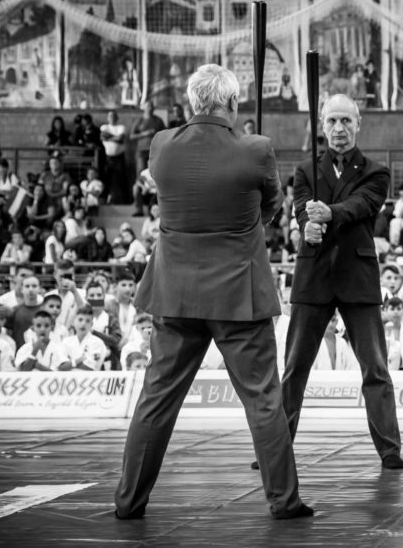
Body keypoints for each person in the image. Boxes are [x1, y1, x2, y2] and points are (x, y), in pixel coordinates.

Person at [115, 64, 311, 520]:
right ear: (233, 103)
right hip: (238, 295)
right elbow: (272, 206)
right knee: (263, 401)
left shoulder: (161, 144)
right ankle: (284, 500)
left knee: (156, 401)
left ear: (191, 102)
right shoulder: (256, 148)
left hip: (175, 294)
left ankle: (128, 502)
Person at [281, 93, 403, 471]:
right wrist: (307, 226)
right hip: (313, 274)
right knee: (294, 368)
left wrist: (328, 213)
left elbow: (363, 206)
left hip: (358, 276)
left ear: (358, 124)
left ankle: (389, 449)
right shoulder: (305, 170)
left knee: (376, 368)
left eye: (346, 121)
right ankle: (276, 448)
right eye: (332, 121)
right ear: (321, 126)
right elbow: (302, 208)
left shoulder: (376, 172)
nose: (339, 128)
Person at [100, 110, 128, 204]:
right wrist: (115, 138)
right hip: (108, 157)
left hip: (119, 157)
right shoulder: (104, 127)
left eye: (113, 116)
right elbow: (103, 137)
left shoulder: (121, 127)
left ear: (117, 118)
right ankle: (104, 200)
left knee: (121, 178)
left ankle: (124, 200)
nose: (112, 118)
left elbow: (120, 138)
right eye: (110, 116)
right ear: (107, 118)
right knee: (106, 178)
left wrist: (109, 137)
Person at [131, 101, 165, 174]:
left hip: (155, 151)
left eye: (152, 106)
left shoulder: (158, 120)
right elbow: (132, 136)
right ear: (144, 108)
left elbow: (165, 135)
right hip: (141, 151)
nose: (150, 108)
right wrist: (144, 134)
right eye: (148, 106)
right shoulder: (139, 120)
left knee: (154, 173)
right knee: (141, 172)